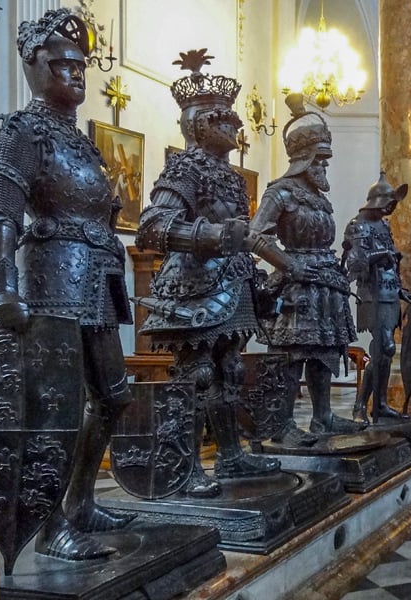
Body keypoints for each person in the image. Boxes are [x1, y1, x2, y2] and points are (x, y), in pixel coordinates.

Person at [0, 8, 134, 560]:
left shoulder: (83, 142)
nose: (76, 74)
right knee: (57, 409)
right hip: (52, 280)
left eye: (81, 65)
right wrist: (3, 286)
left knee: (114, 396)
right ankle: (47, 529)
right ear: (35, 65)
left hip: (95, 278)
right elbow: (1, 211)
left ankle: (82, 502)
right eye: (62, 64)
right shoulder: (22, 130)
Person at [135, 49, 282, 496]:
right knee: (195, 376)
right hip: (193, 282)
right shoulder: (185, 165)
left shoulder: (234, 177)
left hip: (232, 281)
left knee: (231, 370)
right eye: (225, 121)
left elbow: (242, 231)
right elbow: (153, 226)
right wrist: (210, 237)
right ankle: (186, 466)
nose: (235, 129)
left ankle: (232, 456)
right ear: (200, 125)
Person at [248, 96, 361, 442]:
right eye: (320, 160)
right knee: (291, 355)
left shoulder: (319, 198)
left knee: (324, 351)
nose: (324, 167)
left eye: (326, 162)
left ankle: (323, 417)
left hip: (325, 281)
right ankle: (282, 426)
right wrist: (290, 264)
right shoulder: (281, 193)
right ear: (303, 157)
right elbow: (255, 236)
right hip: (297, 283)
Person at [343, 171, 411, 424]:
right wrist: (379, 255)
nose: (391, 208)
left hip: (389, 290)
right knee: (384, 347)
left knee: (386, 352)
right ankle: (361, 404)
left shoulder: (384, 225)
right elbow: (356, 263)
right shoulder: (357, 225)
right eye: (389, 202)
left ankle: (379, 405)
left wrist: (400, 287)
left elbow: (392, 262)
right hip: (371, 292)